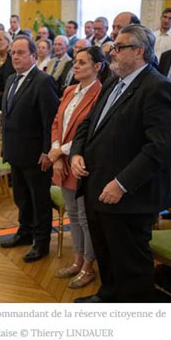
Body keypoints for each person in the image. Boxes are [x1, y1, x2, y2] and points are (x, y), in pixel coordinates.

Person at [70, 24, 171, 302]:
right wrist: (77, 153)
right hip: (96, 185)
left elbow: (160, 147)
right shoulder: (113, 81)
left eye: (118, 47)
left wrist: (121, 184)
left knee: (130, 264)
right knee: (106, 254)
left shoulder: (158, 87)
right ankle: (108, 296)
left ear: (139, 51)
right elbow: (87, 126)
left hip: (129, 196)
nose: (112, 53)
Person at [0, 35, 59, 262]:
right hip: (15, 152)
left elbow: (50, 121)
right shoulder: (11, 79)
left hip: (36, 155)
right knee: (21, 198)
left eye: (21, 52)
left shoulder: (43, 81)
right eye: (13, 52)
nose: (15, 56)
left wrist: (47, 151)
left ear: (33, 55)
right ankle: (24, 233)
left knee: (39, 202)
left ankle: (41, 243)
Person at [48, 47, 105, 289]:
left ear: (97, 67)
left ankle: (88, 266)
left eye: (83, 62)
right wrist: (57, 155)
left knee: (84, 217)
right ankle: (77, 260)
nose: (77, 66)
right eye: (76, 62)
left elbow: (91, 133)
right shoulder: (70, 90)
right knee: (72, 214)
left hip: (83, 164)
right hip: (63, 161)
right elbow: (56, 123)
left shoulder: (100, 93)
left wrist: (61, 152)